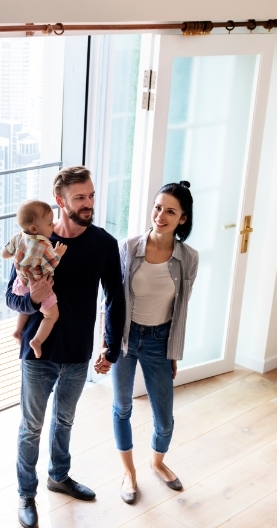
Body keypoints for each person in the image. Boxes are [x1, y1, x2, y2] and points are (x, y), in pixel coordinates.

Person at [5, 166, 125, 528]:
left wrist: (111, 346)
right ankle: (27, 493)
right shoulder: (33, 241)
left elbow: (115, 299)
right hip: (38, 355)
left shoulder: (104, 244)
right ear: (60, 201)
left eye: (90, 196)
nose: (88, 204)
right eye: (79, 198)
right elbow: (13, 298)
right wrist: (34, 300)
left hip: (77, 354)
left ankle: (59, 476)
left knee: (65, 420)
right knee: (31, 427)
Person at [110, 182, 199, 505]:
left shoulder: (188, 259)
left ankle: (157, 462)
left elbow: (181, 309)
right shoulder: (128, 248)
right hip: (126, 338)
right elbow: (113, 302)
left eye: (170, 211)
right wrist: (108, 345)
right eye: (158, 207)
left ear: (183, 219)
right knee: (122, 408)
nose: (160, 216)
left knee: (164, 418)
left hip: (160, 340)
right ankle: (129, 473)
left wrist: (173, 351)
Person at [1, 199, 68, 358]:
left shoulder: (18, 237)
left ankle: (18, 331)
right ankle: (37, 341)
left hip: (21, 283)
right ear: (34, 228)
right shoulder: (45, 246)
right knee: (51, 315)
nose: (53, 226)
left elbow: (4, 254)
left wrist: (17, 257)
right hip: (40, 286)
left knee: (27, 309)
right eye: (50, 224)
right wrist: (59, 252)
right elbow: (52, 264)